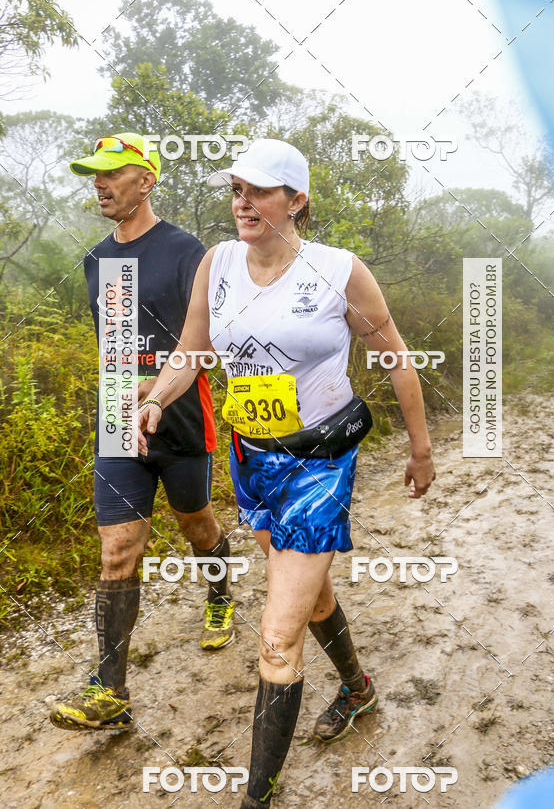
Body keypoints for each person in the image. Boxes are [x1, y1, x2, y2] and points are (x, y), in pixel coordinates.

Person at [136, 138, 436, 805]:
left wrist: (420, 449)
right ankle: (357, 687)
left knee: (276, 640)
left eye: (259, 190)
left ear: (295, 200)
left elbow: (396, 357)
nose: (242, 201)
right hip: (251, 460)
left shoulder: (339, 271)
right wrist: (157, 398)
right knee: (305, 594)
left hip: (319, 462)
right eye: (236, 189)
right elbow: (191, 352)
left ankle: (256, 798)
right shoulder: (216, 265)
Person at [50, 133, 236, 733]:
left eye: (113, 174)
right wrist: (118, 389)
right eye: (94, 176)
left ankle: (218, 595)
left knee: (196, 523)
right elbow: (114, 342)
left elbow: (203, 343)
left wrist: (153, 385)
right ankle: (110, 689)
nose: (99, 185)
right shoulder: (96, 258)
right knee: (117, 553)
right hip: (115, 416)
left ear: (146, 180)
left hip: (180, 414)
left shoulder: (189, 252)